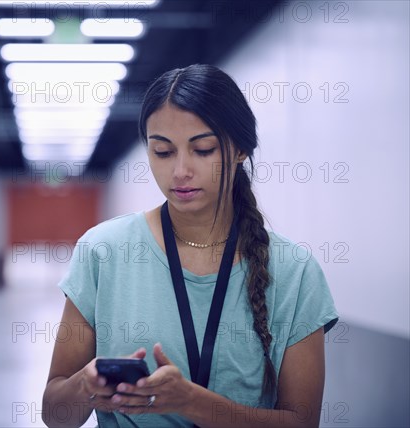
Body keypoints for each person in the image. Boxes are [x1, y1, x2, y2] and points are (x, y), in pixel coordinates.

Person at [42, 64, 339, 428]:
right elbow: (55, 415)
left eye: (203, 149)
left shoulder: (294, 272)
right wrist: (84, 386)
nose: (180, 171)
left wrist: (193, 402)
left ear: (241, 148)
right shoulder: (103, 252)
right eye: (163, 152)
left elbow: (302, 423)